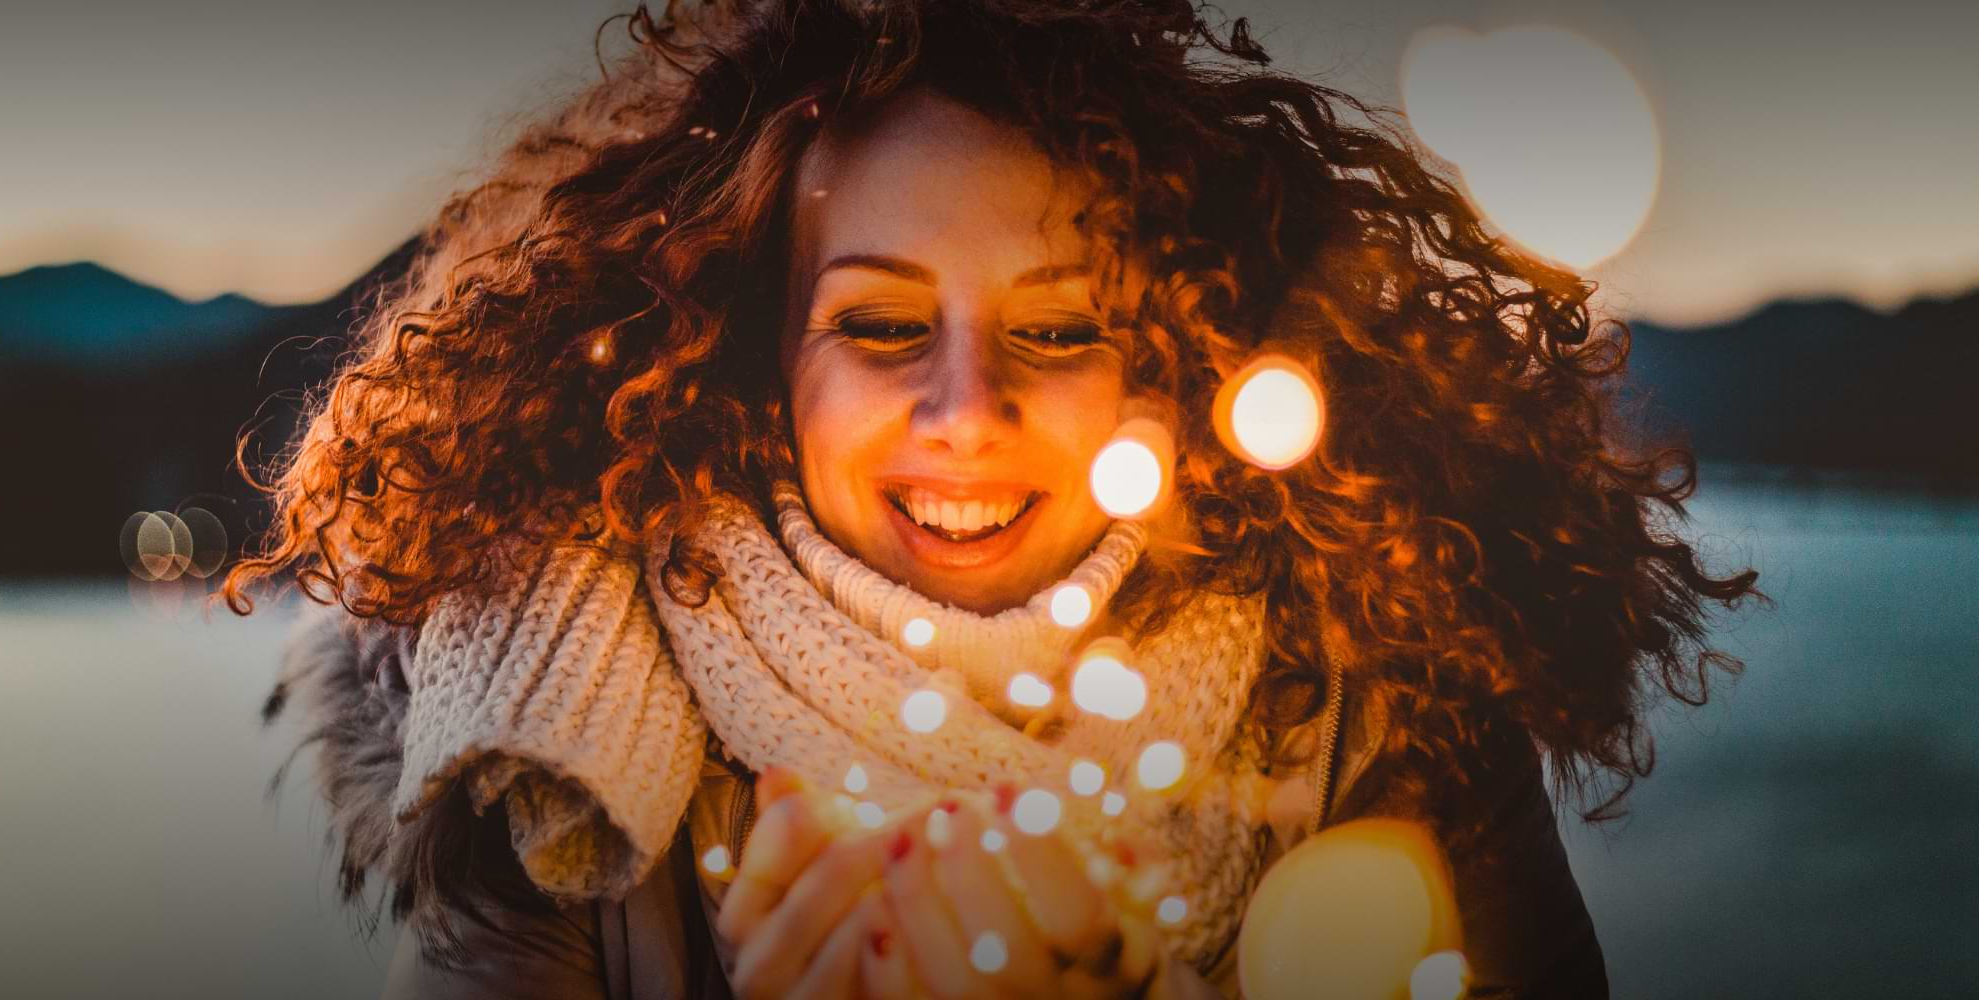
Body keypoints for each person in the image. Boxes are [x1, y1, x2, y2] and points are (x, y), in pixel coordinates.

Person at [223, 2, 1762, 997]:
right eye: (884, 327)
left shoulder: (1379, 694)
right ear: (762, 361)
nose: (967, 414)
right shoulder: (555, 738)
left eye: (1057, 327)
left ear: (1165, 360)